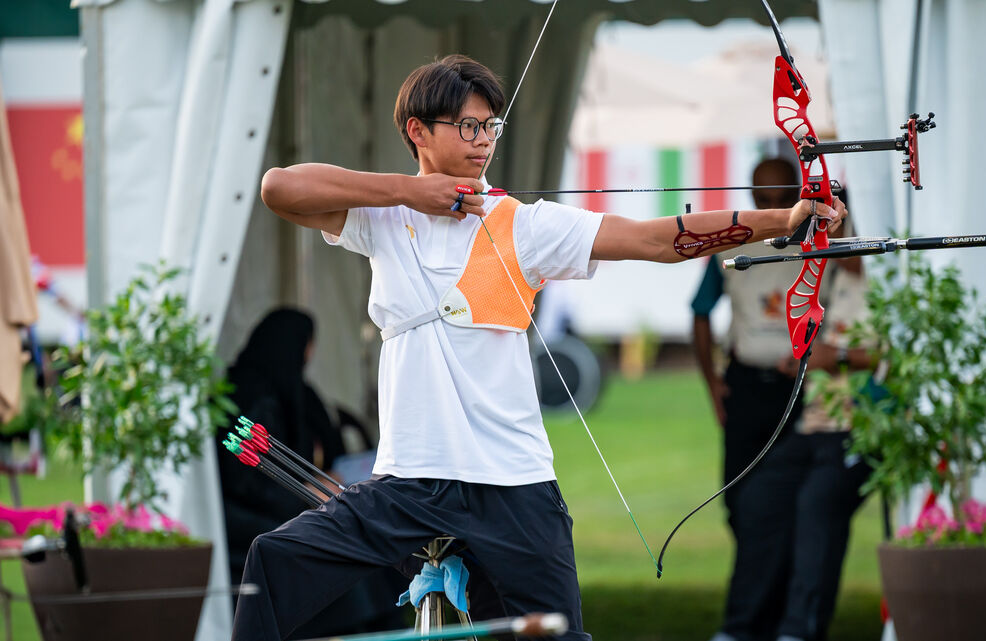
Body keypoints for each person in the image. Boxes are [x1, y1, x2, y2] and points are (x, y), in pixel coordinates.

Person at [234, 55, 847, 641]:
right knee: (274, 562)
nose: (483, 140)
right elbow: (278, 187)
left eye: (490, 126)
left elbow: (656, 240)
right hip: (411, 483)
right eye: (467, 125)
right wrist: (408, 192)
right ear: (417, 130)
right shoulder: (385, 219)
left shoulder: (525, 226)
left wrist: (783, 221)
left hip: (515, 487)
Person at [691, 158, 870, 641]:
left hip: (807, 395)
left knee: (800, 506)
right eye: (762, 201)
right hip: (749, 385)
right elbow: (700, 312)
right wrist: (714, 385)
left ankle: (785, 622)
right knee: (746, 503)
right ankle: (752, 618)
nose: (772, 209)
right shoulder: (735, 242)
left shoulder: (821, 240)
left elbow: (856, 278)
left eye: (780, 199)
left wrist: (831, 227)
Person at [217, 308, 405, 638]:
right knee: (342, 542)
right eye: (308, 344)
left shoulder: (295, 390)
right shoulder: (250, 396)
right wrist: (305, 488)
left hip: (288, 500)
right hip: (248, 514)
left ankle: (381, 625)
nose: (311, 352)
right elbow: (246, 483)